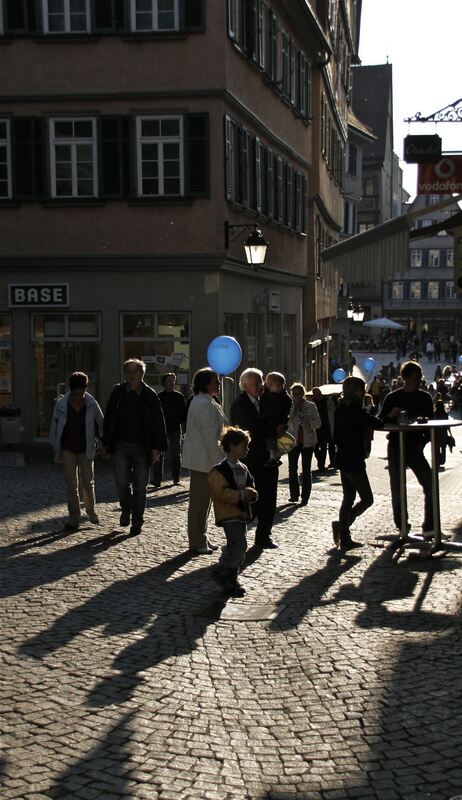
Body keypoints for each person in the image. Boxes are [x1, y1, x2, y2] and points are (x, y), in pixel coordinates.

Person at [101, 358, 167, 537]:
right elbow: (109, 419)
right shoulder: (118, 392)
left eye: (135, 372)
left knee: (140, 486)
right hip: (121, 445)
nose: (132, 375)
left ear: (141, 374)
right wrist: (105, 443)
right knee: (122, 482)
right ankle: (126, 508)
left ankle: (137, 520)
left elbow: (158, 424)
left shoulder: (150, 395)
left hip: (142, 447)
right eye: (129, 372)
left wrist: (157, 448)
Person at [379, 360, 434, 534]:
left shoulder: (425, 397)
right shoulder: (392, 397)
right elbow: (380, 421)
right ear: (406, 378)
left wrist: (422, 443)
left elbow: (431, 424)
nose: (420, 381)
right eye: (416, 377)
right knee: (397, 488)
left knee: (430, 485)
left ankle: (430, 526)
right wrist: (391, 414)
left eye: (421, 377)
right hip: (396, 447)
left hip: (415, 448)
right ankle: (402, 525)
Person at [332, 377, 384, 550]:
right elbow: (377, 423)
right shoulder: (354, 409)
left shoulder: (341, 409)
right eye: (362, 390)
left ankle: (345, 537)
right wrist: (389, 416)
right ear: (355, 391)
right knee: (367, 499)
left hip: (343, 457)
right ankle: (342, 525)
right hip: (353, 460)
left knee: (348, 498)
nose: (364, 393)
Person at [230, 368, 278, 549]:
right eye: (257, 383)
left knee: (269, 500)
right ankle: (238, 537)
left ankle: (264, 536)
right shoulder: (240, 404)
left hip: (268, 459)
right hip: (252, 460)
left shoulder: (264, 401)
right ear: (245, 385)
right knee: (252, 501)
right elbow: (252, 430)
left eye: (261, 382)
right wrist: (272, 430)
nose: (261, 386)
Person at [50, 371, 104, 531]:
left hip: (86, 447)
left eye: (82, 393)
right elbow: (55, 424)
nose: (79, 396)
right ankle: (74, 517)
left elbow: (101, 424)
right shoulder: (61, 404)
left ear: (86, 390)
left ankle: (91, 510)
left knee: (88, 481)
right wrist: (55, 444)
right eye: (76, 393)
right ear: (71, 390)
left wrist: (101, 443)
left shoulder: (92, 404)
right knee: (71, 484)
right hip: (68, 448)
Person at [182, 367, 227, 554]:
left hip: (203, 459)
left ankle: (202, 537)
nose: (218, 383)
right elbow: (210, 437)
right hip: (204, 460)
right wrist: (220, 462)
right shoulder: (204, 404)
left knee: (203, 502)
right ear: (206, 383)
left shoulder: (205, 401)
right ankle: (197, 540)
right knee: (199, 503)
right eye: (215, 380)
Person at [209, 427, 258, 597]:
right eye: (244, 446)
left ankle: (231, 578)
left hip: (241, 514)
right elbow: (220, 493)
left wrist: (252, 494)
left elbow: (250, 485)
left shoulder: (243, 467)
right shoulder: (219, 470)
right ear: (232, 446)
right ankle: (222, 570)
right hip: (228, 514)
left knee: (237, 546)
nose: (247, 450)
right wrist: (241, 495)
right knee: (239, 545)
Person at [150, 373, 187, 488]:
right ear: (164, 383)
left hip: (175, 429)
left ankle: (176, 477)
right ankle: (157, 479)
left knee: (176, 454)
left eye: (173, 381)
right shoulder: (159, 396)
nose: (172, 383)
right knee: (159, 454)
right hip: (162, 430)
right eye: (169, 381)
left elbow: (183, 414)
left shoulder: (179, 396)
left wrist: (182, 425)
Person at [287, 383, 321, 505]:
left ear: (303, 393)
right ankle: (294, 495)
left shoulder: (311, 406)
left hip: (308, 441)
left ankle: (305, 497)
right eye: (294, 394)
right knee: (292, 469)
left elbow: (318, 423)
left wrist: (308, 421)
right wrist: (293, 409)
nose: (297, 396)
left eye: (299, 394)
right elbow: (287, 421)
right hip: (293, 441)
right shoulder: (290, 406)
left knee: (306, 470)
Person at [259, 371, 293, 464]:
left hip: (279, 424)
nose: (280, 388)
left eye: (282, 385)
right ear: (269, 385)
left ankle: (274, 457)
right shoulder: (263, 397)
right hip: (268, 425)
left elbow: (286, 413)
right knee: (270, 440)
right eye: (278, 385)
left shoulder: (285, 398)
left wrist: (283, 423)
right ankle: (272, 457)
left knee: (277, 441)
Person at [312, 387, 336, 470]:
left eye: (317, 393)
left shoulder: (328, 401)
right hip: (316, 428)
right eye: (314, 393)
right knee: (316, 446)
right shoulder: (311, 403)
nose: (316, 395)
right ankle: (321, 461)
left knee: (325, 446)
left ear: (320, 393)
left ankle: (323, 464)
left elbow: (333, 414)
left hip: (327, 426)